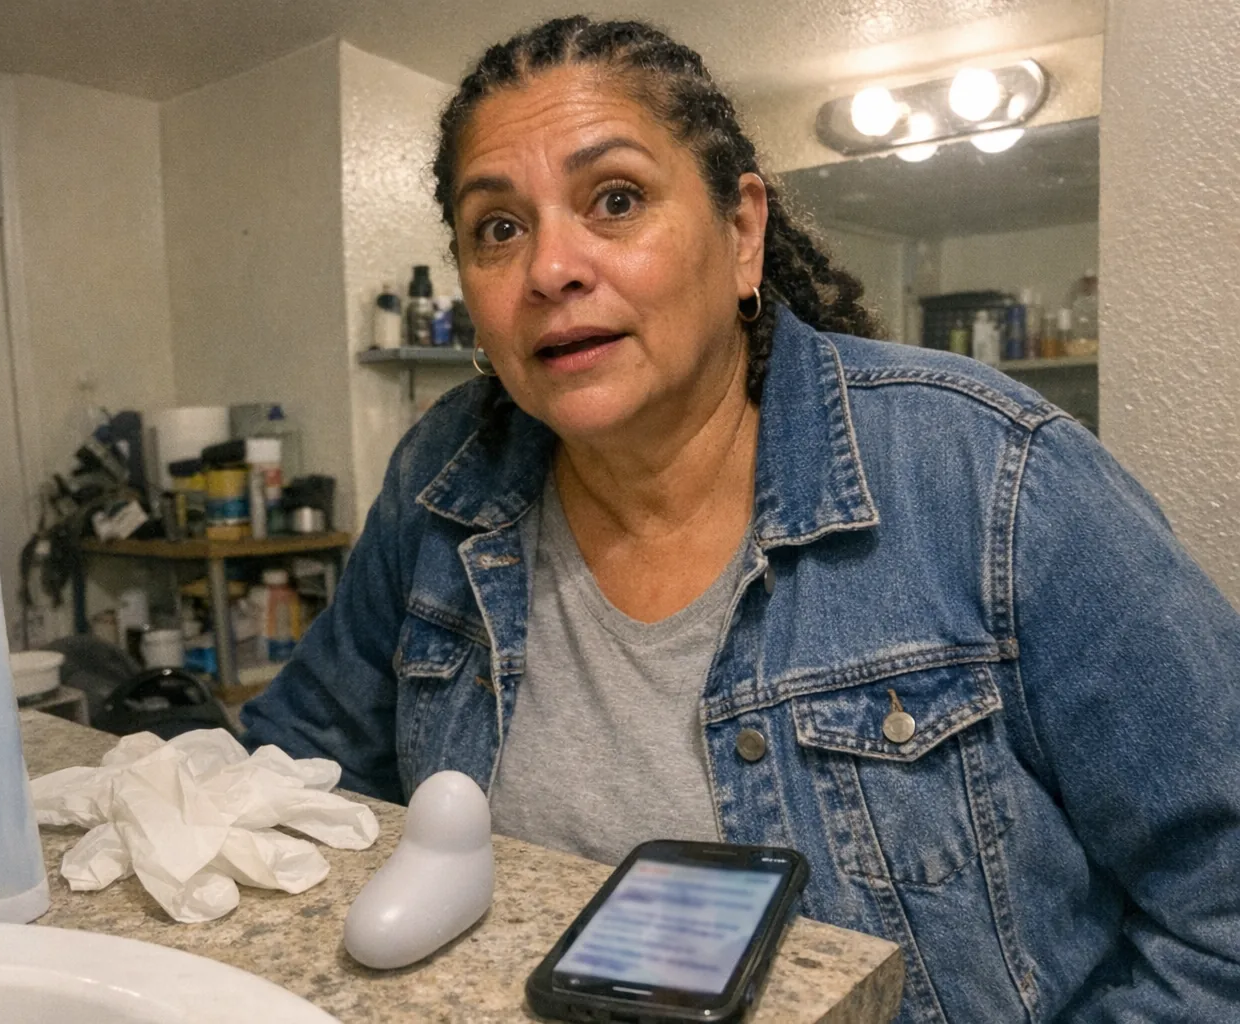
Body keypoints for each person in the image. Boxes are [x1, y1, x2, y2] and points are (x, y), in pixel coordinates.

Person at [243, 15, 1240, 1022]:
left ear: (742, 232)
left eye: (616, 199)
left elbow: (1225, 897)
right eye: (498, 227)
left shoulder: (991, 471)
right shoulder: (442, 477)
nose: (550, 268)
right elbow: (292, 774)